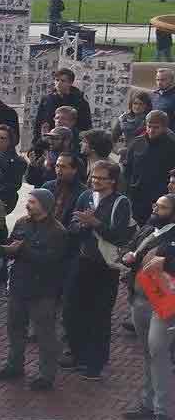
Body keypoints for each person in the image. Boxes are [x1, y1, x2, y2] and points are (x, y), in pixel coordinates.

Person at [65, 158, 133, 380]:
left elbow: (120, 235)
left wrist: (95, 224)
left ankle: (95, 363)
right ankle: (78, 354)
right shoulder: (85, 197)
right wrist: (81, 226)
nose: (95, 181)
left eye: (101, 178)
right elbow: (71, 226)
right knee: (73, 310)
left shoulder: (120, 202)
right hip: (82, 261)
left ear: (112, 181)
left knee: (100, 315)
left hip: (105, 267)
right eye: (93, 177)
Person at [0, 187, 67, 390]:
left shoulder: (57, 232)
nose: (28, 205)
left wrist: (23, 249)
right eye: (29, 201)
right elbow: (11, 244)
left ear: (45, 206)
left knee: (45, 334)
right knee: (15, 328)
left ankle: (46, 375)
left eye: (33, 202)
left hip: (43, 291)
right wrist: (7, 250)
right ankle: (14, 365)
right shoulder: (21, 223)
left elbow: (50, 260)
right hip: (19, 285)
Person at [122, 193, 175, 420]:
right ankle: (147, 402)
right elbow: (132, 247)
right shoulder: (147, 230)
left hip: (163, 302)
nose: (155, 209)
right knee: (147, 354)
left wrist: (168, 261)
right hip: (140, 298)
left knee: (158, 353)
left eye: (162, 207)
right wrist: (128, 255)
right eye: (156, 204)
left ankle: (162, 410)